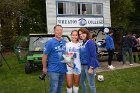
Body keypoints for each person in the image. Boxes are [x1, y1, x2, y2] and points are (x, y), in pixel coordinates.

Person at [42, 25, 67, 93]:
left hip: (62, 69)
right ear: (54, 31)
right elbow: (44, 56)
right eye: (57, 30)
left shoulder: (64, 42)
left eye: (61, 30)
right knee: (54, 89)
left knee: (59, 88)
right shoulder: (50, 42)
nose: (59, 32)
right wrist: (44, 68)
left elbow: (66, 54)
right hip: (53, 70)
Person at [78, 28, 99, 93]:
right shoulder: (83, 43)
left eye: (83, 33)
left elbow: (93, 56)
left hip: (89, 66)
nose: (81, 35)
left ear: (86, 33)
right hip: (82, 66)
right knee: (81, 82)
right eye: (80, 34)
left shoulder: (90, 42)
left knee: (91, 85)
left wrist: (91, 67)